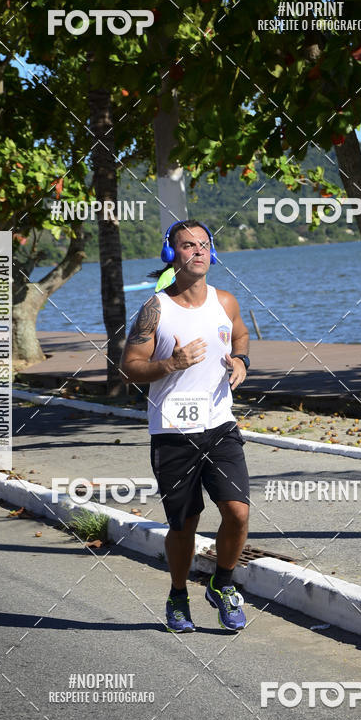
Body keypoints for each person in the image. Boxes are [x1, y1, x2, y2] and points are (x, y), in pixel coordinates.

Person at [119, 219, 252, 633]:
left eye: (203, 245)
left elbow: (241, 337)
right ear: (171, 254)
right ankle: (178, 594)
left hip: (219, 424)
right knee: (184, 523)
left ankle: (223, 584)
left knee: (238, 513)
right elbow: (129, 368)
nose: (197, 251)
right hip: (173, 431)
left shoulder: (225, 301)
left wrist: (243, 363)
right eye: (187, 245)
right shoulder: (156, 308)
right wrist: (170, 364)